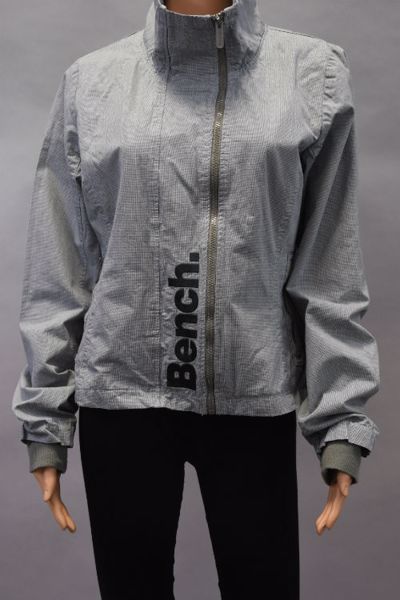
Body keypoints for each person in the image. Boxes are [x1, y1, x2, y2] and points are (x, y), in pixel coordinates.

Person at [12, 0, 380, 598]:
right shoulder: (92, 82)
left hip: (252, 397)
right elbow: (60, 265)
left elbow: (328, 264)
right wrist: (45, 419)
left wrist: (341, 417)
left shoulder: (310, 75)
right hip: (122, 399)